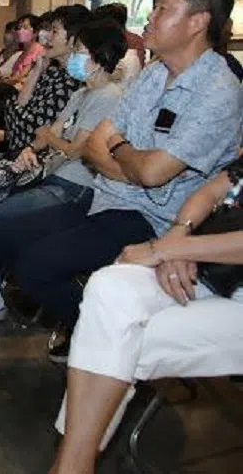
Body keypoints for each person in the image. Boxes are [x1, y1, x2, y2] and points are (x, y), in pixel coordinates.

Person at [0, 0, 243, 361]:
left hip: (151, 215)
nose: (150, 15)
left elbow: (152, 174)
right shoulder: (154, 72)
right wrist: (127, 159)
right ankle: (86, 323)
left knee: (35, 266)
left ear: (198, 22)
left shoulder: (218, 91)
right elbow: (98, 144)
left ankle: (108, 339)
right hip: (108, 196)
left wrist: (120, 148)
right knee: (1, 236)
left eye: (163, 8)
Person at [49, 161, 243, 474]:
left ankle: (67, 465)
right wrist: (177, 240)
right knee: (109, 288)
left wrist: (169, 250)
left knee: (115, 339)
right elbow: (214, 188)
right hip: (211, 271)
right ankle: (75, 464)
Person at [0, 20, 128, 324]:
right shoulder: (80, 94)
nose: (74, 57)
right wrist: (32, 148)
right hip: (50, 175)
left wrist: (49, 139)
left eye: (79, 51)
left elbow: (77, 149)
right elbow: (48, 135)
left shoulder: (109, 96)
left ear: (97, 55)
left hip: (75, 188)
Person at [2, 5, 90, 156]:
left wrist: (15, 110)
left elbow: (33, 127)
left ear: (72, 40)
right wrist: (36, 71)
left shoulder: (73, 82)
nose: (47, 37)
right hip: (19, 152)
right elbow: (20, 106)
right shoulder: (51, 70)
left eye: (54, 31)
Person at [4, 14, 45, 85]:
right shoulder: (23, 52)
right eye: (19, 28)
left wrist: (4, 81)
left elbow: (22, 77)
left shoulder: (38, 50)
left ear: (36, 32)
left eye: (25, 28)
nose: (20, 31)